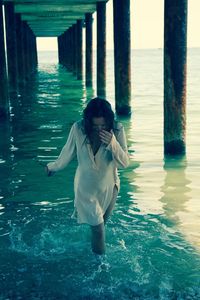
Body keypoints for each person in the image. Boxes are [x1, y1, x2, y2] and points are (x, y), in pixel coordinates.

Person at [46, 97, 129, 255]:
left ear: (109, 121)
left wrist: (112, 143)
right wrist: (52, 167)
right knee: (98, 230)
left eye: (103, 125)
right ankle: (99, 267)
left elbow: (124, 163)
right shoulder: (78, 128)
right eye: (95, 125)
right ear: (88, 121)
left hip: (110, 187)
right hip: (86, 190)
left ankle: (89, 249)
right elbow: (67, 153)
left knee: (102, 225)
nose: (99, 129)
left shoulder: (117, 129)